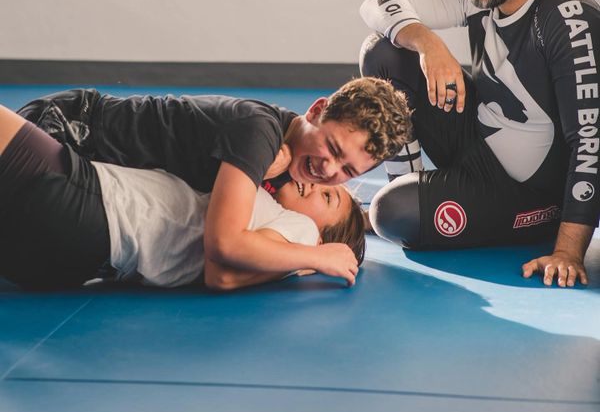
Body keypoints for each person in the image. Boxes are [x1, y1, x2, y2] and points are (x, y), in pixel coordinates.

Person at [360, 0, 600, 289]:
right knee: (385, 49)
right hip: (475, 138)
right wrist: (428, 42)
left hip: (527, 192)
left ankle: (415, 202)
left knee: (392, 213)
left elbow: (591, 141)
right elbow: (376, 2)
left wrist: (568, 251)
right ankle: (411, 184)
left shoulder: (568, 19)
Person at [14, 78, 411, 287]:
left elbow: (327, 212)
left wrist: (362, 224)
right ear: (317, 110)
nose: (329, 170)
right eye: (332, 147)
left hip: (92, 184)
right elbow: (224, 244)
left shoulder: (289, 164)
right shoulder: (259, 133)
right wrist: (318, 257)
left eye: (349, 171)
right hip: (70, 129)